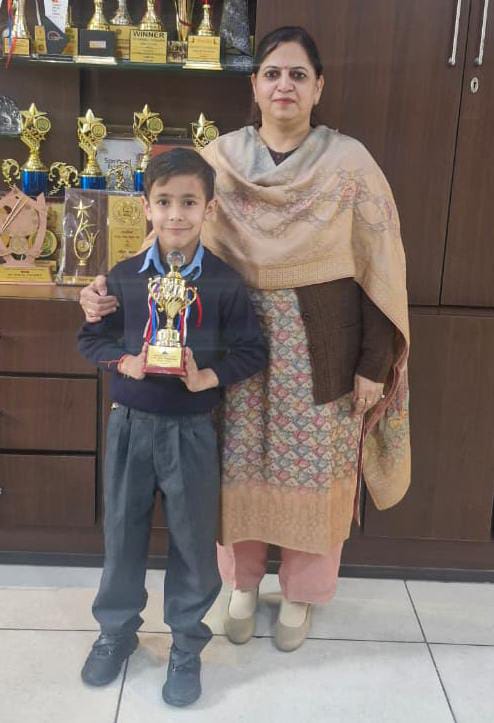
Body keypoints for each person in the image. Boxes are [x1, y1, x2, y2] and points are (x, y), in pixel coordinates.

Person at [80, 26, 410, 655]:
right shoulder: (221, 160)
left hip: (321, 354)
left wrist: (375, 362)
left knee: (315, 472)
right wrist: (106, 292)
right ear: (254, 85)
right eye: (272, 74)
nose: (285, 85)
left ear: (319, 87)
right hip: (222, 348)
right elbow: (166, 239)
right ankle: (241, 585)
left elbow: (381, 270)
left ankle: (302, 593)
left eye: (298, 75)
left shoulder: (351, 165)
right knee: (231, 470)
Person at [77, 148, 268, 707]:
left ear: (209, 208)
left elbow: (252, 350)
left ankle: (186, 644)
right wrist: (124, 361)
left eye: (189, 202)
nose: (176, 214)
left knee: (192, 541)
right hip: (129, 427)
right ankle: (116, 632)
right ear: (146, 208)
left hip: (190, 430)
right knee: (121, 535)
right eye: (164, 202)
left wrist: (207, 376)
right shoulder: (122, 278)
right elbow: (91, 339)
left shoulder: (225, 283)